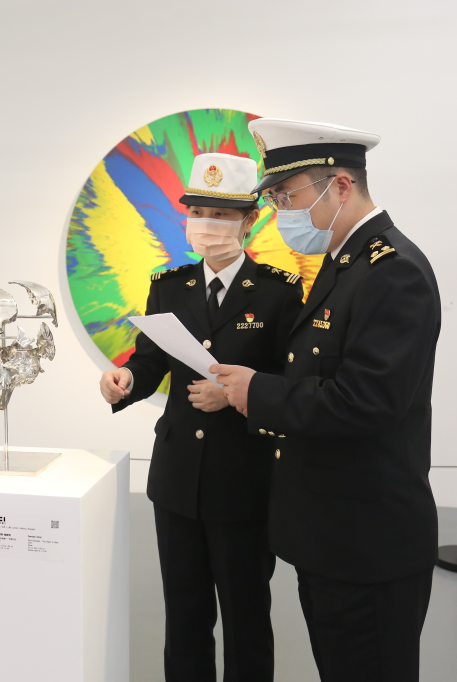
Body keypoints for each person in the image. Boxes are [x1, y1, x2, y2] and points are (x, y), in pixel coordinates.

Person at [213, 119, 442, 682]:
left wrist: (257, 391)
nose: (280, 213)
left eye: (287, 197)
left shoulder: (392, 271)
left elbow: (367, 401)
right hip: (333, 535)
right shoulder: (346, 264)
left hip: (368, 542)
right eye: (273, 200)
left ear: (340, 186)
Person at [99, 152, 304, 682]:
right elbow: (150, 361)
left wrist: (234, 396)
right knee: (184, 615)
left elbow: (292, 384)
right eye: (197, 213)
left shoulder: (280, 291)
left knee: (245, 616)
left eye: (221, 215)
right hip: (177, 478)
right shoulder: (170, 285)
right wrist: (125, 379)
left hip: (244, 478)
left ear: (249, 220)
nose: (206, 225)